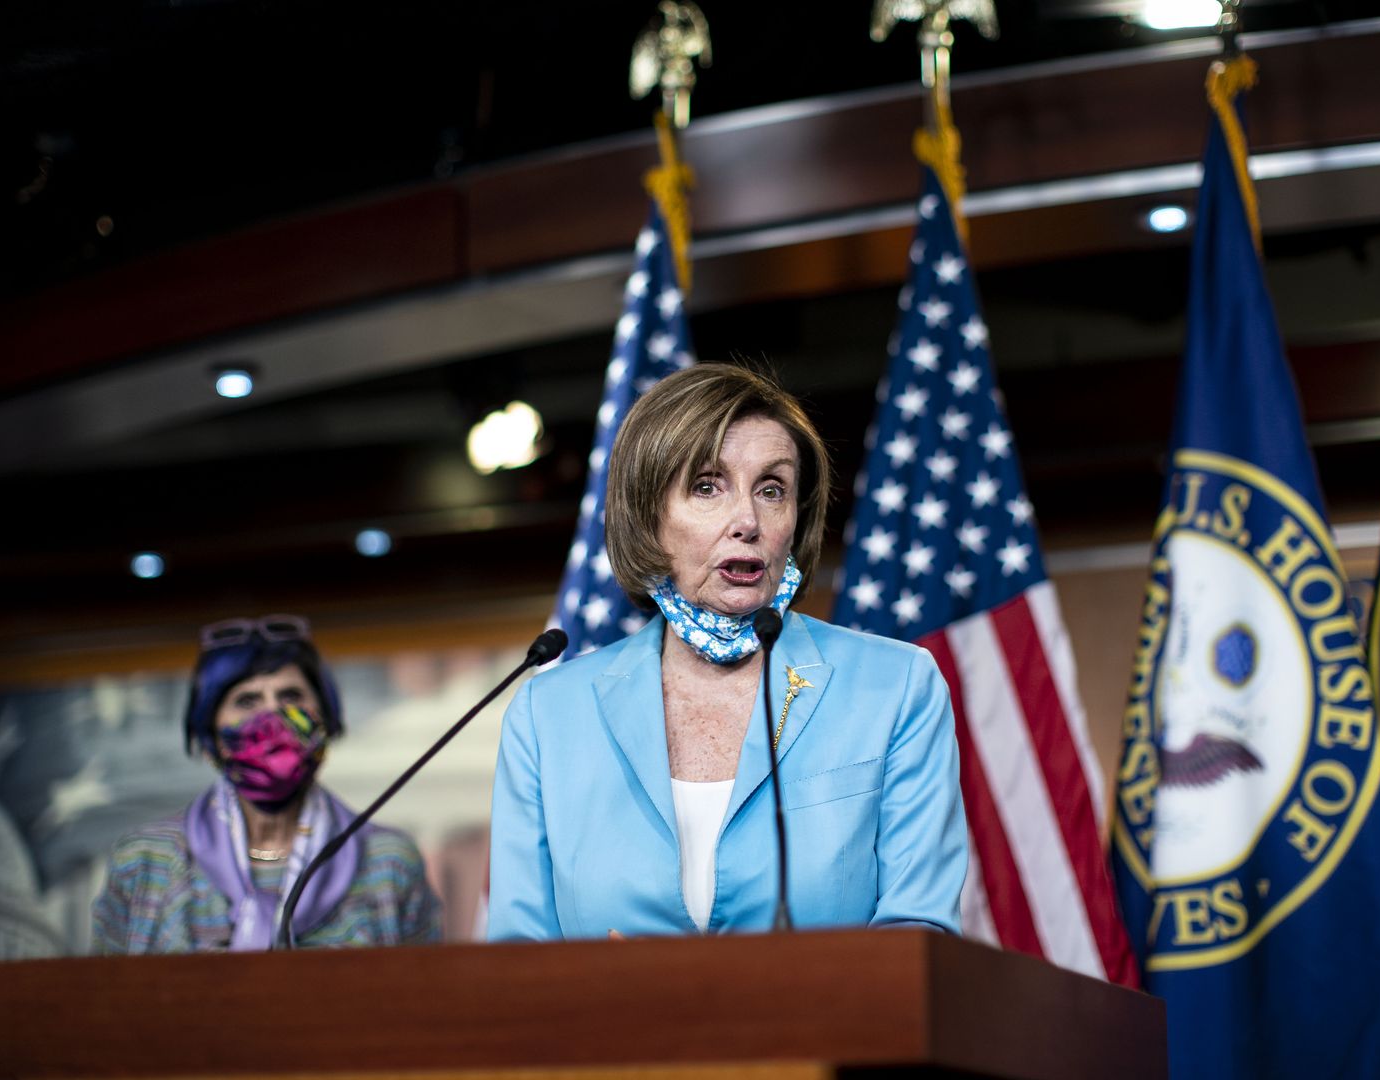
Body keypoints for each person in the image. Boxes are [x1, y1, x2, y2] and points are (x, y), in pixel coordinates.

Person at [488, 363, 967, 940]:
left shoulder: (895, 687)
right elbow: (518, 964)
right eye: (707, 486)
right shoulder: (548, 716)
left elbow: (918, 939)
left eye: (772, 489)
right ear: (649, 516)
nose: (748, 520)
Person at [91, 615, 439, 952]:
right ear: (211, 736)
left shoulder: (390, 861)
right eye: (246, 701)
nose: (272, 717)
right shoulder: (144, 860)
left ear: (326, 720)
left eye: (291, 697)